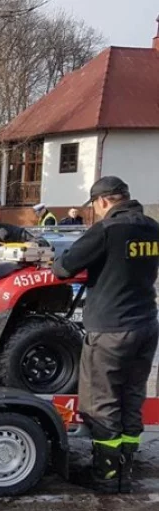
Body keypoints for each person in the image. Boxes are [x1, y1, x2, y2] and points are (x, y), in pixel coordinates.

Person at [52, 176, 159, 493]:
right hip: (146, 325)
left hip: (110, 329)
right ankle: (127, 466)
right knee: (131, 396)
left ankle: (106, 475)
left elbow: (64, 267)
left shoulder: (107, 229)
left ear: (102, 202)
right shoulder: (152, 227)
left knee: (101, 403)